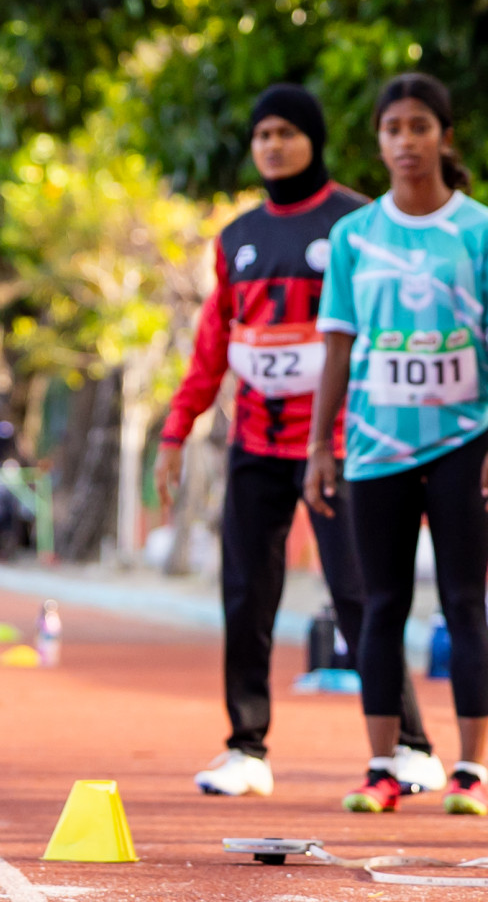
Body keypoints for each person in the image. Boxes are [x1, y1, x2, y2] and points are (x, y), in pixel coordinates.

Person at [155, 83, 439, 798]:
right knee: (246, 595)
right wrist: (176, 429)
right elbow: (214, 345)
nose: (272, 145)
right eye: (262, 135)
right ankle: (246, 749)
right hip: (254, 441)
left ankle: (411, 743)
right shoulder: (237, 237)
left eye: (285, 132)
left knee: (359, 592)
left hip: (341, 443)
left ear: (312, 139)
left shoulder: (359, 223)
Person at [307, 72, 488, 815]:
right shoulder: (354, 237)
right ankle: (384, 765)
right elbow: (340, 348)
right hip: (376, 444)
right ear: (378, 141)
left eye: (419, 126)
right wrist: (321, 444)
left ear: (444, 135)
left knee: (464, 602)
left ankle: (472, 772)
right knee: (380, 604)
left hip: (464, 440)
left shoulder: (478, 230)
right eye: (392, 129)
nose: (405, 141)